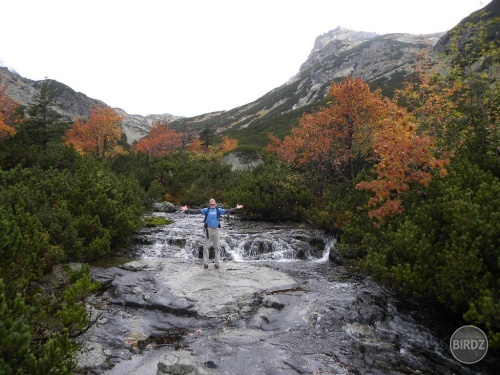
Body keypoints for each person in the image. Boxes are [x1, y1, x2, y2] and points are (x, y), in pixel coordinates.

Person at [180, 198, 243, 269]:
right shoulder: (206, 210)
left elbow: (227, 211)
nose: (212, 201)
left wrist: (236, 208)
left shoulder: (218, 210)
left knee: (217, 247)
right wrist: (187, 209)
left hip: (216, 230)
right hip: (208, 230)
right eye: (211, 201)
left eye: (213, 201)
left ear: (215, 202)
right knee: (206, 247)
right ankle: (206, 263)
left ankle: (217, 262)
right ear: (209, 203)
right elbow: (196, 211)